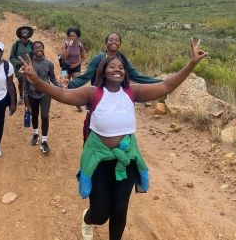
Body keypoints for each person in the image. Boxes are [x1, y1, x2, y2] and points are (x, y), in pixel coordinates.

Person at [19, 38, 208, 240]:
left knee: (119, 210)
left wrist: (191, 64)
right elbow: (63, 94)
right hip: (99, 160)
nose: (118, 69)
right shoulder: (93, 93)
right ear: (103, 71)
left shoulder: (132, 92)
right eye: (112, 66)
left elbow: (166, 87)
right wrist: (37, 81)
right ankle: (89, 218)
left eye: (121, 67)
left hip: (125, 159)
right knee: (100, 214)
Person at [67, 33, 161, 89]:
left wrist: (159, 82)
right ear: (106, 43)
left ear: (120, 43)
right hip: (99, 95)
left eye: (117, 40)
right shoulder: (98, 59)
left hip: (118, 95)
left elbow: (136, 76)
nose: (114, 42)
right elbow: (85, 77)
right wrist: (69, 84)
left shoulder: (123, 60)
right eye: (111, 40)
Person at [23, 41, 61, 153]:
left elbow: (53, 79)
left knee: (44, 116)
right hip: (32, 94)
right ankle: (35, 134)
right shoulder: (29, 64)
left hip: (45, 94)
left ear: (43, 49)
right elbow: (25, 82)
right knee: (34, 115)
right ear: (33, 50)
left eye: (40, 47)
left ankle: (44, 141)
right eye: (36, 48)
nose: (38, 49)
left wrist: (60, 88)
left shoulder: (49, 64)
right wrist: (25, 98)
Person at [60, 27, 86, 111]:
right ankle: (64, 96)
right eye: (70, 36)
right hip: (65, 66)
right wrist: (69, 46)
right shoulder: (66, 44)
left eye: (73, 36)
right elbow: (64, 56)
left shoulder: (80, 45)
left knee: (77, 84)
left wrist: (76, 65)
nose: (72, 37)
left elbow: (83, 57)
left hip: (76, 66)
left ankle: (77, 103)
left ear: (77, 37)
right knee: (64, 83)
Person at [9, 25, 34, 105]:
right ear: (20, 34)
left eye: (26, 31)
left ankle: (30, 97)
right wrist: (17, 63)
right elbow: (11, 57)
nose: (25, 32)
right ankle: (21, 96)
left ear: (29, 34)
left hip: (29, 67)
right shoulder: (16, 44)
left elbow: (35, 55)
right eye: (23, 31)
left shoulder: (32, 44)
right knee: (21, 82)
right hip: (19, 68)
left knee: (30, 82)